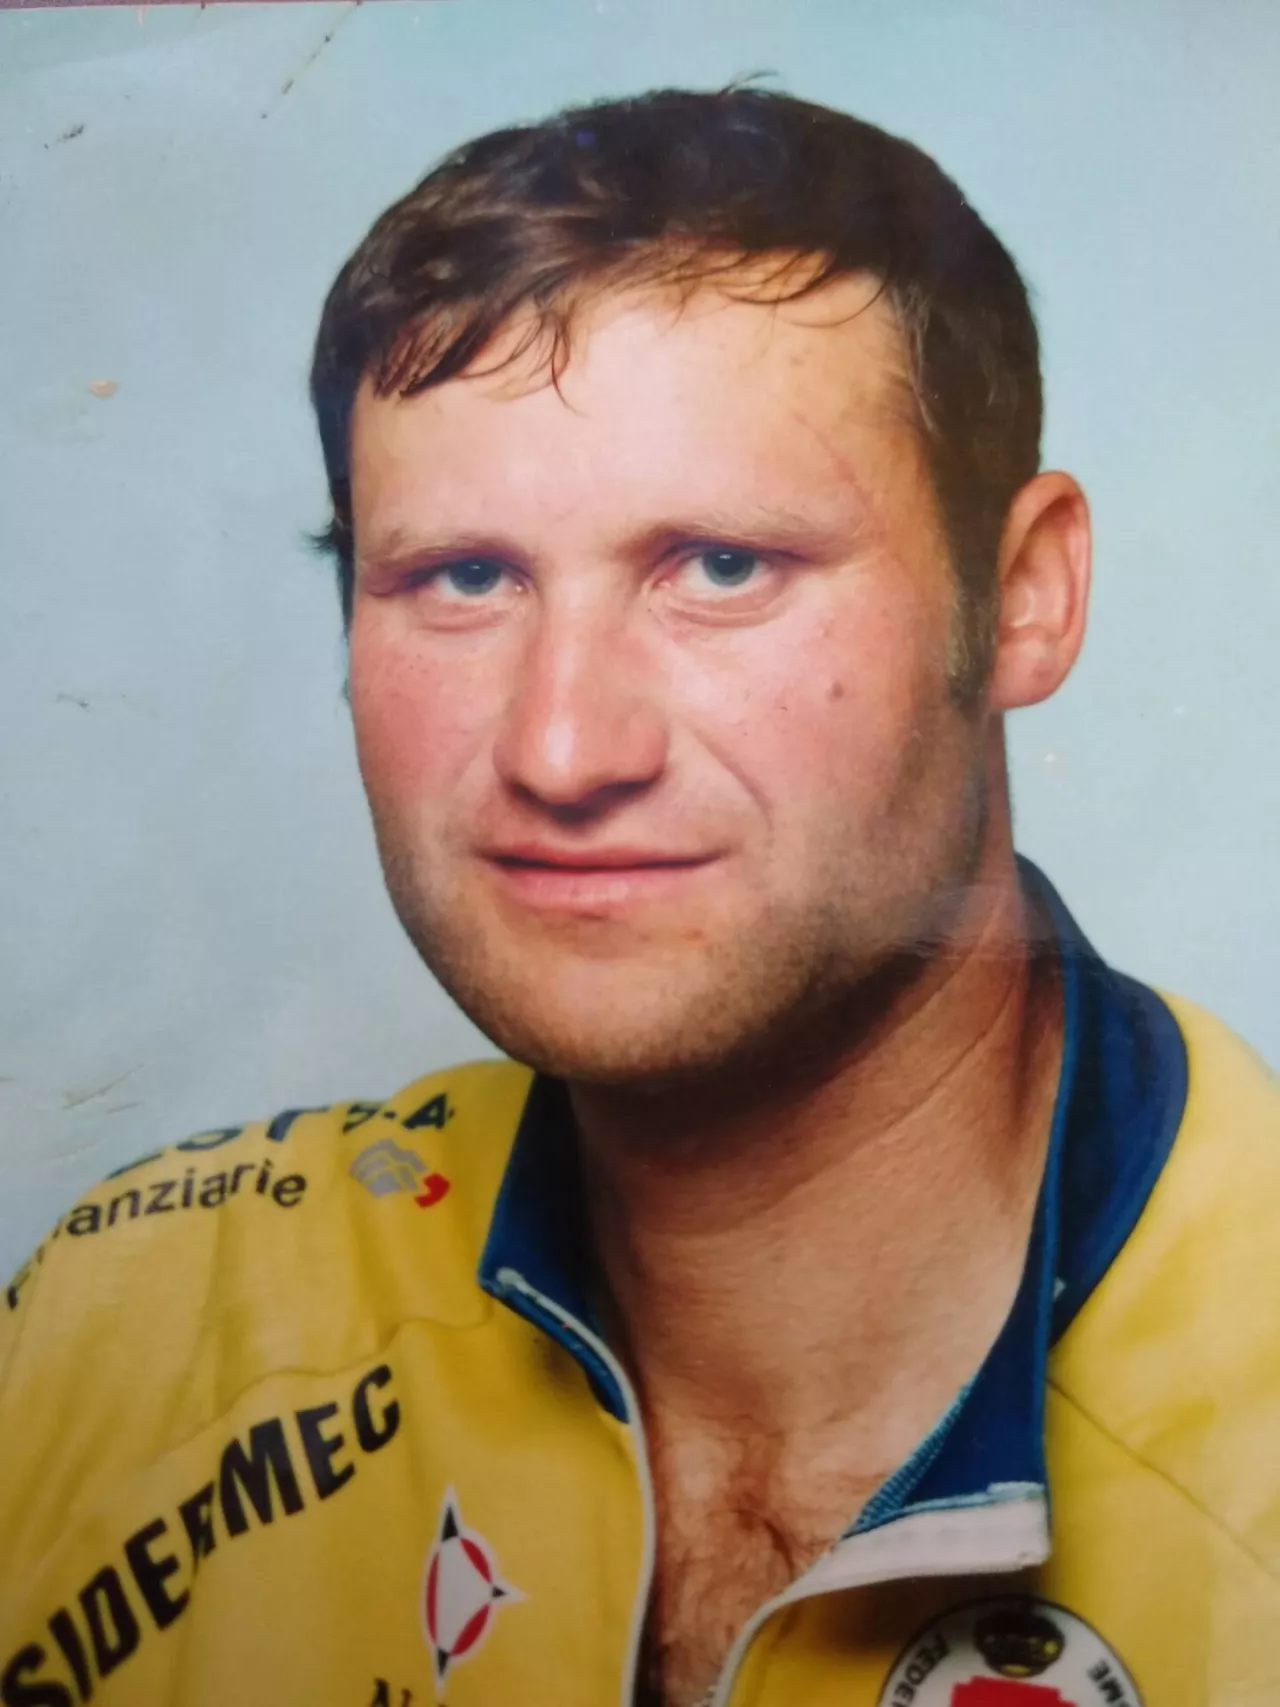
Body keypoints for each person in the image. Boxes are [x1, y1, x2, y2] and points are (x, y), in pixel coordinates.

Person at [1, 84, 1276, 1707]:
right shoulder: (121, 1333)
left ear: (1023, 596)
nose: (562, 746)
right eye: (464, 577)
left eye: (722, 567)